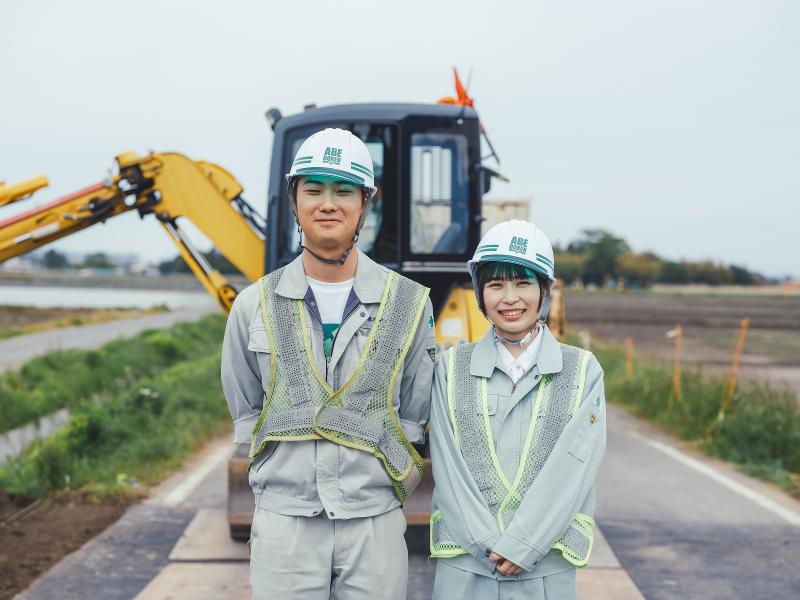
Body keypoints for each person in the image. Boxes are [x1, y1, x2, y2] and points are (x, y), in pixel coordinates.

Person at [221, 128, 436, 600]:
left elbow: (413, 417)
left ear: (365, 203)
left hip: (374, 521)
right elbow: (248, 410)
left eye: (343, 191)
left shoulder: (411, 305)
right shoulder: (253, 305)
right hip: (285, 520)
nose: (328, 204)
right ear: (294, 199)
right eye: (313, 189)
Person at [428, 220, 606, 600]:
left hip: (543, 570)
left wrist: (524, 543)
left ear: (545, 291)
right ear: (480, 294)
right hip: (467, 565)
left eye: (523, 283)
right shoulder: (451, 367)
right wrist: (488, 542)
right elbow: (447, 465)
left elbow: (574, 468)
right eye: (496, 285)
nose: (509, 298)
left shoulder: (582, 370)